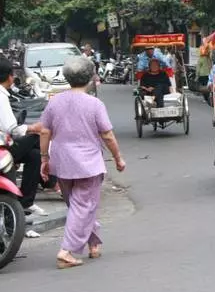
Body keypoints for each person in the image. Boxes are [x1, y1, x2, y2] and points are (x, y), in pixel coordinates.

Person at [39, 56, 126, 269]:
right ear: (90, 78)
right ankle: (66, 251)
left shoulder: (55, 101)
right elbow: (107, 135)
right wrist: (117, 158)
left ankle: (93, 243)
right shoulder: (94, 104)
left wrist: (44, 158)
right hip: (87, 163)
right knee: (84, 206)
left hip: (62, 162)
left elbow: (44, 130)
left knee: (78, 206)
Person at [0, 57, 47, 217]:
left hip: (6, 143)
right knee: (36, 139)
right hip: (3, 148)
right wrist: (33, 128)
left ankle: (26, 202)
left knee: (34, 156)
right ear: (10, 77)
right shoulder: (1, 96)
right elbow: (12, 128)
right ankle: (52, 180)